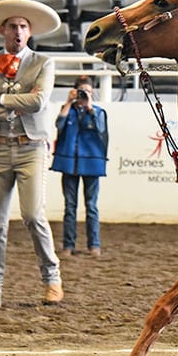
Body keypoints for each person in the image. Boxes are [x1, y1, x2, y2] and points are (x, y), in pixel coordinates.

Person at [0, 0, 63, 311]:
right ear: (2, 31)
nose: (17, 32)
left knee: (34, 216)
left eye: (23, 26)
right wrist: (3, 103)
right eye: (12, 27)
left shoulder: (43, 63)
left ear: (29, 31)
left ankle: (52, 278)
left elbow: (38, 102)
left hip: (31, 147)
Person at [50, 75, 108, 258]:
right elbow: (59, 125)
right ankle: (68, 245)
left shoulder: (98, 112)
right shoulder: (68, 111)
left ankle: (94, 245)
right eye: (82, 91)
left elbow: (101, 129)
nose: (85, 95)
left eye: (88, 92)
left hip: (91, 163)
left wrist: (90, 107)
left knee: (91, 206)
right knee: (70, 206)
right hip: (69, 163)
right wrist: (68, 103)